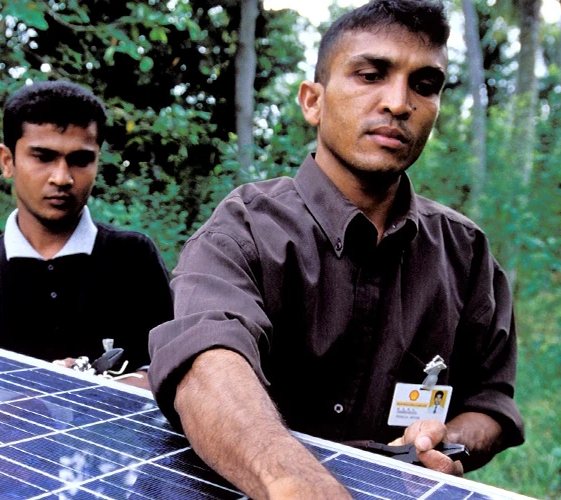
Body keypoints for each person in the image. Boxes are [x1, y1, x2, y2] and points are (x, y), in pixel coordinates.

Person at [146, 0, 524, 497]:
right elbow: (207, 363)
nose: (398, 102)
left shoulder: (466, 252)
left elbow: (490, 401)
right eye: (370, 75)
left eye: (424, 85)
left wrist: (446, 440)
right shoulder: (242, 229)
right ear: (312, 101)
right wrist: (293, 482)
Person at [0, 80, 173, 385]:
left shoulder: (133, 259)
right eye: (43, 157)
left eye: (80, 159)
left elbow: (179, 368)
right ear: (7, 161)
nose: (62, 177)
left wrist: (114, 390)